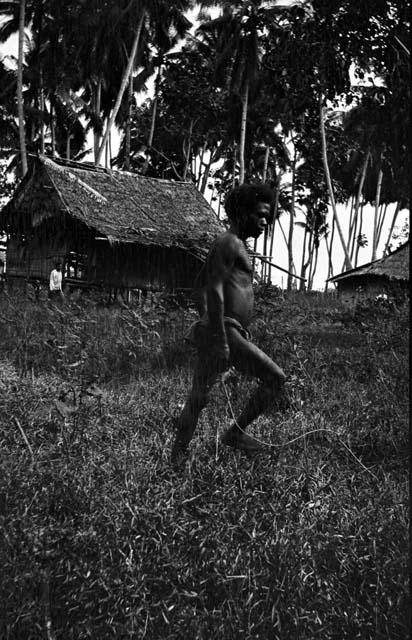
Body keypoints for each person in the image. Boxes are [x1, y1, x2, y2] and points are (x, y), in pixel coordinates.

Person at [171, 184, 287, 467]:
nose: (264, 222)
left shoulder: (233, 245)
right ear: (242, 212)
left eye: (267, 218)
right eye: (260, 215)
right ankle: (235, 433)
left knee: (198, 396)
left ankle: (177, 456)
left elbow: (201, 285)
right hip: (225, 330)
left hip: (224, 329)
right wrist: (222, 337)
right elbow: (214, 290)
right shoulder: (229, 242)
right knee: (275, 378)